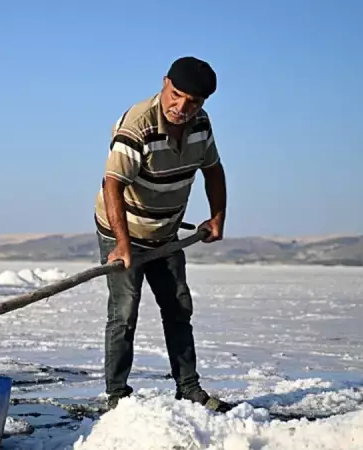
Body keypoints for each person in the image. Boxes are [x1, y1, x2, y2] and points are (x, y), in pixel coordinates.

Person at [93, 56, 233, 412]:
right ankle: (117, 397)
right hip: (122, 230)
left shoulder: (201, 124)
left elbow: (213, 170)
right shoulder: (137, 125)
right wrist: (122, 245)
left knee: (177, 307)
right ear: (164, 83)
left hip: (166, 233)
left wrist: (217, 217)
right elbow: (113, 184)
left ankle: (188, 388)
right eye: (176, 95)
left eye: (193, 102)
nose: (181, 107)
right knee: (124, 313)